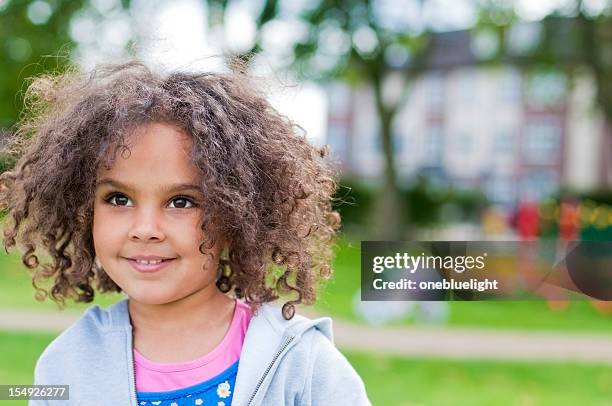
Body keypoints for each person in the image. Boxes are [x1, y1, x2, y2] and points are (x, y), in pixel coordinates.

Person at [0, 61, 370, 406]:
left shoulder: (302, 364)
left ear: (236, 214)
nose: (145, 229)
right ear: (82, 210)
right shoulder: (66, 365)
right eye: (118, 198)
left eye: (181, 202)